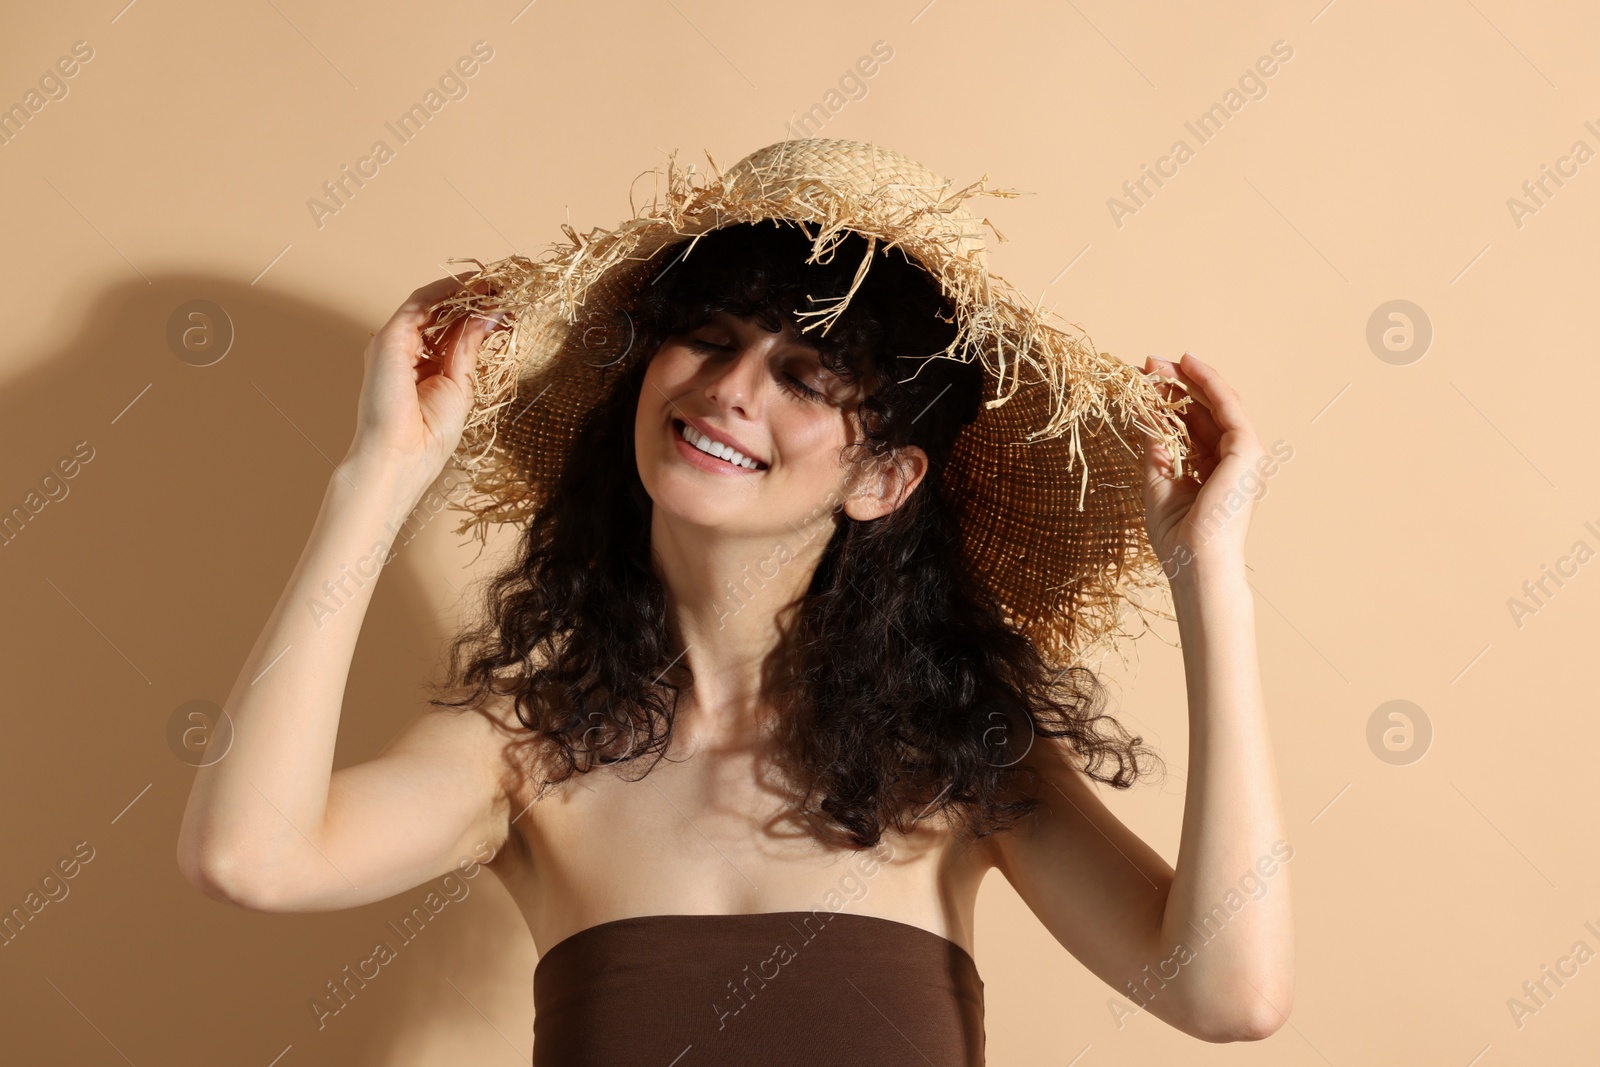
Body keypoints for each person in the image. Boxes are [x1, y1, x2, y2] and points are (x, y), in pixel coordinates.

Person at [177, 139, 1292, 1064]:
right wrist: (380, 476)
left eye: (805, 379)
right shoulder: (523, 746)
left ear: (881, 479)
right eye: (708, 338)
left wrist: (1208, 579)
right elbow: (249, 857)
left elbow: (1226, 995)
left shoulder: (961, 760)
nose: (726, 388)